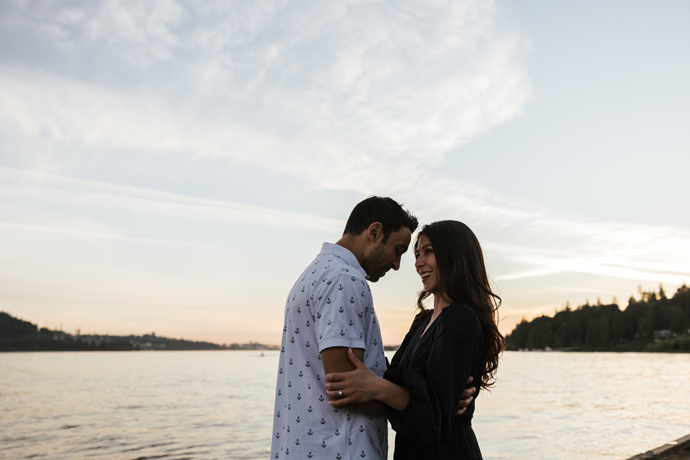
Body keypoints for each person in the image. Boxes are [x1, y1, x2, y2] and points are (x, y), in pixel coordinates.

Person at [271, 199, 475, 460]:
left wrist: (438, 400)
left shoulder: (314, 274)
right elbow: (347, 389)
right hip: (341, 449)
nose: (398, 264)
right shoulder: (344, 280)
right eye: (398, 250)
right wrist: (432, 406)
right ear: (375, 232)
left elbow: (375, 380)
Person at [325, 220, 504, 459]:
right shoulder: (423, 321)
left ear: (454, 254)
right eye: (417, 254)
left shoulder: (460, 319)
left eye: (428, 252)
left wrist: (381, 388)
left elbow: (432, 425)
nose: (419, 263)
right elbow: (395, 380)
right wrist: (413, 394)